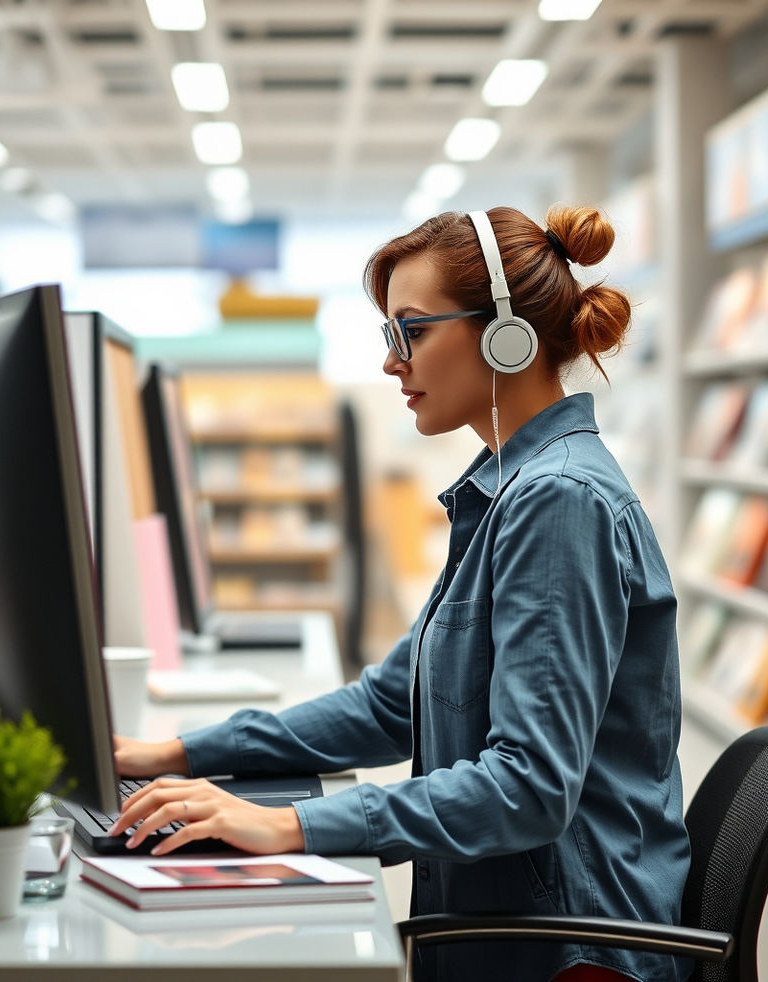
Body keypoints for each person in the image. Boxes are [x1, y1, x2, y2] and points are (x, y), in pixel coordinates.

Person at [112, 205, 690, 982]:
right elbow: (389, 706)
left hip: (569, 951)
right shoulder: (508, 492)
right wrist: (176, 752)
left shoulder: (558, 502)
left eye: (410, 332)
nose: (392, 363)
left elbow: (527, 788)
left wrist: (290, 825)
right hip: (520, 924)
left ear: (504, 335)